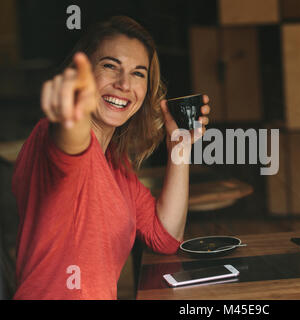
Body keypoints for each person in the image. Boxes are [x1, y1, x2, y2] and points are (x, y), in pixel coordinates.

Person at [11, 16, 210, 299]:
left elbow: (165, 237)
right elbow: (71, 141)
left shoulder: (115, 165)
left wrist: (179, 148)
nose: (124, 84)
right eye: (109, 66)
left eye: (138, 73)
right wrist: (72, 112)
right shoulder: (53, 138)